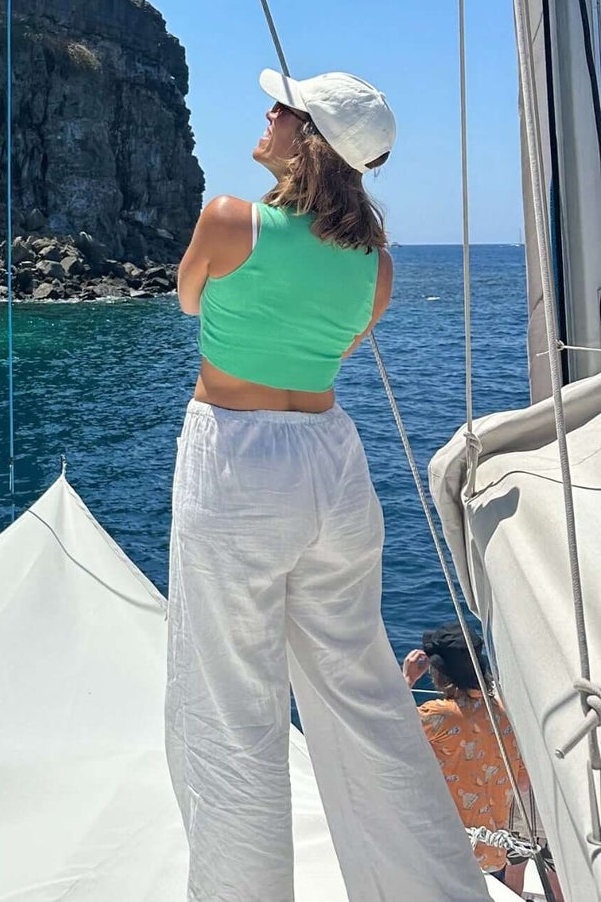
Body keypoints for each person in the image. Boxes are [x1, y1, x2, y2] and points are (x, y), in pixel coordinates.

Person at [167, 69, 490, 902]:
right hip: (333, 468)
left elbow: (187, 298)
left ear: (304, 137)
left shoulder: (229, 218)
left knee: (229, 705)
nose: (267, 112)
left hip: (236, 461)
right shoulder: (375, 266)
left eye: (281, 107)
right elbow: (337, 350)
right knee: (367, 698)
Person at [403, 623, 540, 897]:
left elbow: (386, 735)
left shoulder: (437, 716)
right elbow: (523, 781)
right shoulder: (504, 711)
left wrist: (405, 681)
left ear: (438, 672)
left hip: (450, 853)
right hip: (494, 853)